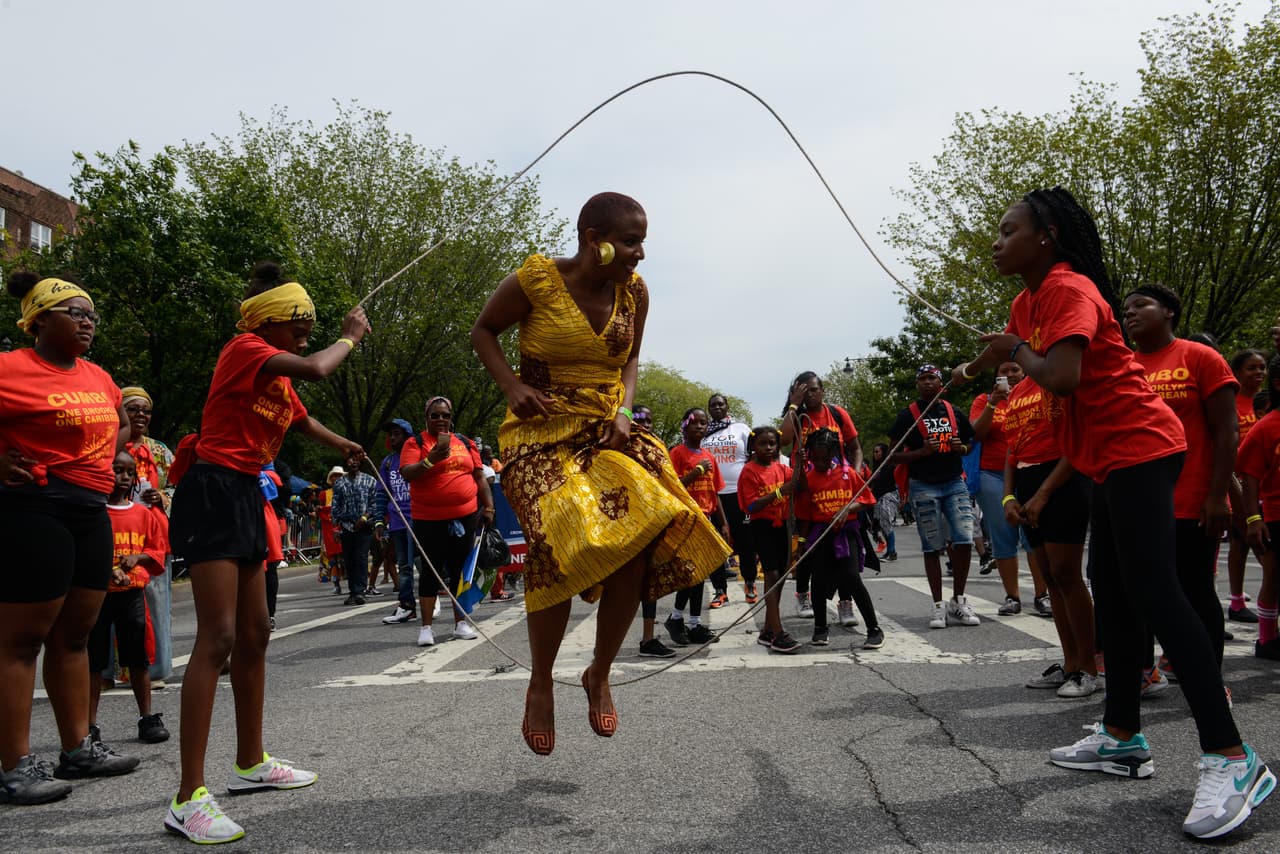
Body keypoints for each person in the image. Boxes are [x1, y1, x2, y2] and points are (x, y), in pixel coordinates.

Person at [955, 187, 1272, 840]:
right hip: (1103, 457)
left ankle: (1232, 757)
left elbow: (1065, 375)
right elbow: (1043, 369)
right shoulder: (1026, 301)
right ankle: (1123, 738)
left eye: (1008, 229)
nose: (996, 240)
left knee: (1157, 592)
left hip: (1140, 445)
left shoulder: (1070, 289)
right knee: (1119, 597)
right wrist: (1003, 356)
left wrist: (1015, 350)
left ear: (1046, 237)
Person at [470, 192, 729, 756]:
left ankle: (600, 672)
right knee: (558, 546)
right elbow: (483, 331)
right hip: (537, 436)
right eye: (632, 242)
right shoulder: (537, 281)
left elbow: (630, 359)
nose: (640, 254)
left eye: (643, 242)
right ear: (595, 239)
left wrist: (620, 410)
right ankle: (540, 683)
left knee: (643, 536)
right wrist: (513, 387)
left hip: (604, 429)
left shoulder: (634, 292)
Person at [163, 262, 369, 844]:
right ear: (268, 322)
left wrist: (344, 444)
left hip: (248, 492)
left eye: (310, 323)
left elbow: (303, 420)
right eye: (298, 322)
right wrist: (349, 335)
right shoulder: (243, 349)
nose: (306, 330)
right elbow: (318, 368)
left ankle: (251, 763)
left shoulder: (276, 378)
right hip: (213, 491)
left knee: (256, 634)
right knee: (219, 638)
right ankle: (186, 797)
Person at [0, 272, 139, 807]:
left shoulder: (99, 377)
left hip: (90, 511)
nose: (88, 322)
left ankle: (77, 747)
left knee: (76, 637)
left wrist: (97, 459)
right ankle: (12, 764)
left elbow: (122, 424)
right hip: (33, 510)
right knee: (19, 642)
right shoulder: (11, 368)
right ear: (38, 319)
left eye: (92, 316)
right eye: (76, 312)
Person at [1124, 285, 1237, 689]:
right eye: (1126, 310)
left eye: (1141, 305)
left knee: (1195, 592)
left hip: (1192, 499)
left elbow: (1227, 431)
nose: (1130, 314)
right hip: (1140, 502)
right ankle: (1145, 670)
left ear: (1169, 311)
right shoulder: (1126, 366)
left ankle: (1210, 681)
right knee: (1142, 593)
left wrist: (1216, 494)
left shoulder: (1200, 356)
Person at [888, 364, 980, 629]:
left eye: (932, 378)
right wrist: (920, 453)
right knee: (931, 546)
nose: (927, 383)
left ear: (941, 383)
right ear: (917, 384)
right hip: (923, 485)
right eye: (922, 379)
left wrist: (960, 446)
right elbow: (891, 456)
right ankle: (938, 606)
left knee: (964, 540)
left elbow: (970, 442)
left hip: (954, 482)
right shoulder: (908, 416)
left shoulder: (954, 411)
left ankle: (959, 601)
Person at [398, 396, 493, 647]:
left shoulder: (464, 442)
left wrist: (489, 507)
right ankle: (426, 628)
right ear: (426, 417)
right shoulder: (415, 443)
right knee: (431, 571)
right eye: (435, 415)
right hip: (429, 519)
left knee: (461, 570)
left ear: (451, 418)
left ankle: (461, 623)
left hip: (465, 515)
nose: (441, 420)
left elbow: (479, 476)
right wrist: (432, 459)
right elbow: (407, 473)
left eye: (445, 415)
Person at [89, 451, 169, 744]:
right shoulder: (94, 513)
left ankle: (146, 717)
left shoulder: (142, 514)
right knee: (93, 662)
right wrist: (108, 572)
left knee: (138, 659)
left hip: (132, 595)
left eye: (129, 472)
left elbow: (157, 552)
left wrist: (137, 558)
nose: (123, 477)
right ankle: (89, 725)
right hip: (98, 596)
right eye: (117, 470)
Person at [779, 370, 862, 619]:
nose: (810, 394)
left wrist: (853, 477)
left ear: (822, 390)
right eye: (804, 390)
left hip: (837, 489)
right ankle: (803, 595)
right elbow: (782, 439)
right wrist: (794, 403)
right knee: (807, 546)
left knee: (844, 547)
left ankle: (845, 601)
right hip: (807, 491)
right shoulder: (796, 416)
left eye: (814, 389)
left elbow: (855, 447)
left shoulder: (837, 413)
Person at [968, 363, 1048, 616]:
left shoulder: (1036, 395)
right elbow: (976, 433)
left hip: (1026, 470)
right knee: (1003, 532)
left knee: (1032, 533)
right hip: (991, 474)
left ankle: (1041, 595)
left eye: (1016, 369)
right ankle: (1012, 597)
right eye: (1004, 371)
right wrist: (993, 402)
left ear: (1025, 372)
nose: (1011, 374)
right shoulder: (984, 400)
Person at [793, 428, 883, 648]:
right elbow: (804, 516)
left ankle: (874, 629)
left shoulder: (848, 473)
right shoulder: (809, 479)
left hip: (846, 534)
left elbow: (867, 500)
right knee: (819, 580)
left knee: (851, 578)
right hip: (820, 535)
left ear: (834, 453)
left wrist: (846, 508)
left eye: (825, 458)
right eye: (816, 459)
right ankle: (820, 628)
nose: (821, 463)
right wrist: (801, 547)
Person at [119, 386, 175, 685]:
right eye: (133, 409)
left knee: (156, 602)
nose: (140, 414)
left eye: (145, 410)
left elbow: (180, 485)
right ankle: (108, 671)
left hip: (153, 534)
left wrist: (163, 497)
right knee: (113, 601)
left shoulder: (160, 451)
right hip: (116, 532)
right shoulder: (109, 446)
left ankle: (154, 670)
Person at [665, 408, 732, 644]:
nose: (701, 427)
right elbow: (672, 487)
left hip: (707, 519)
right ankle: (675, 618)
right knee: (691, 574)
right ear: (685, 426)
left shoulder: (709, 456)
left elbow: (716, 492)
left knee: (701, 574)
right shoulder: (677, 453)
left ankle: (693, 623)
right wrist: (696, 472)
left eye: (704, 423)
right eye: (696, 423)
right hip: (687, 520)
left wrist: (723, 523)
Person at [738, 426, 801, 653]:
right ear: (753, 447)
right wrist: (778, 493)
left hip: (782, 525)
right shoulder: (749, 471)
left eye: (772, 443)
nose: (768, 448)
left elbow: (796, 482)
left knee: (781, 574)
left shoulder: (781, 468)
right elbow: (750, 505)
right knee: (772, 574)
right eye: (763, 444)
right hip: (762, 525)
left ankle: (767, 629)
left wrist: (800, 460)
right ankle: (778, 632)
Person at [1240, 354, 1280, 660]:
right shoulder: (1267, 427)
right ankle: (1266, 640)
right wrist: (1254, 518)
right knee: (1274, 576)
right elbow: (1249, 476)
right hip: (1275, 516)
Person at [701, 393, 758, 603]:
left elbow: (753, 456)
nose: (717, 407)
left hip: (739, 493)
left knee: (746, 542)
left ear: (727, 406)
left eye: (720, 404)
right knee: (716, 543)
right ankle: (719, 590)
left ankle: (750, 582)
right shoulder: (704, 432)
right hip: (712, 495)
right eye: (713, 405)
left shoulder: (741, 429)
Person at [1227, 349, 1268, 624]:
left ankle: (1239, 602)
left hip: (1265, 483)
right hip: (1238, 483)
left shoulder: (1265, 403)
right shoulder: (1231, 403)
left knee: (1245, 542)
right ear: (1238, 372)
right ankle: (1237, 601)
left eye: (1262, 368)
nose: (1258, 373)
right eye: (1251, 368)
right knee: (1246, 543)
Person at [376, 419, 419, 625]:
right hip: (397, 522)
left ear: (407, 436)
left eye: (396, 434)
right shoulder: (386, 462)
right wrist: (379, 521)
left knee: (423, 563)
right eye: (390, 434)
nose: (392, 438)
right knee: (404, 566)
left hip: (419, 519)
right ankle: (407, 606)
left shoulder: (418, 457)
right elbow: (382, 494)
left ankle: (431, 598)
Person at [330, 456, 379, 605]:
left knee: (361, 558)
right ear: (346, 462)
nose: (353, 462)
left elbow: (375, 503)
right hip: (346, 526)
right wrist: (336, 526)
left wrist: (364, 518)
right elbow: (335, 505)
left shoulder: (370, 481)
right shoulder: (339, 483)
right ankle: (352, 591)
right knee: (349, 560)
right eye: (350, 460)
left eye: (356, 460)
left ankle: (360, 591)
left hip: (363, 526)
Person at [867, 443, 899, 561]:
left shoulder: (889, 466)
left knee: (887, 524)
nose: (875, 454)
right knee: (882, 525)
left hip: (888, 497)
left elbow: (893, 482)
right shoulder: (877, 468)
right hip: (878, 498)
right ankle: (889, 551)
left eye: (877, 451)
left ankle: (892, 552)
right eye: (874, 452)